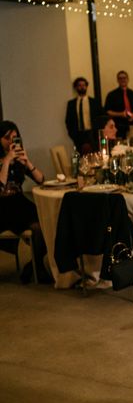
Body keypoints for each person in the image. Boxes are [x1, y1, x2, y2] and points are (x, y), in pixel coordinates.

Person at [0, 121, 50, 283]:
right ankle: (37, 268)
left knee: (45, 223)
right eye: (7, 138)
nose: (11, 142)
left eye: (14, 137)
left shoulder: (18, 159)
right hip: (3, 206)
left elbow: (41, 180)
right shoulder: (4, 160)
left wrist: (27, 161)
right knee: (37, 224)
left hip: (19, 202)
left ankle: (32, 266)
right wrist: (6, 161)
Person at [65, 76, 102, 154]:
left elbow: (100, 118)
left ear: (86, 86)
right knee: (81, 156)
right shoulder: (71, 104)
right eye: (79, 85)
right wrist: (72, 134)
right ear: (76, 87)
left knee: (95, 155)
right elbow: (68, 120)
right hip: (78, 134)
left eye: (84, 85)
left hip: (92, 133)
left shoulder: (94, 102)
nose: (82, 87)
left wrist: (97, 133)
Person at [104, 70, 133, 139]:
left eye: (124, 78)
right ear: (117, 80)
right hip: (118, 126)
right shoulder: (111, 95)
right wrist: (121, 114)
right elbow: (107, 111)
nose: (122, 80)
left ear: (128, 79)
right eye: (120, 78)